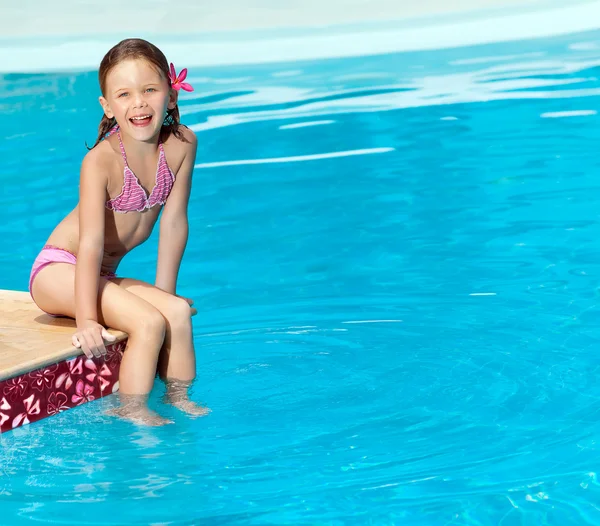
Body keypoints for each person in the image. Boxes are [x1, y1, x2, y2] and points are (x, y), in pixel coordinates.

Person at [28, 38, 208, 426]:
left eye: (150, 90)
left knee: (175, 311)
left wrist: (165, 292)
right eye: (124, 95)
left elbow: (175, 221)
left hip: (102, 274)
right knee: (149, 322)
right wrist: (87, 321)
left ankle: (178, 396)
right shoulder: (101, 162)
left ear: (171, 96)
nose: (139, 103)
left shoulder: (182, 144)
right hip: (61, 270)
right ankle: (132, 408)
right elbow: (91, 242)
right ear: (108, 106)